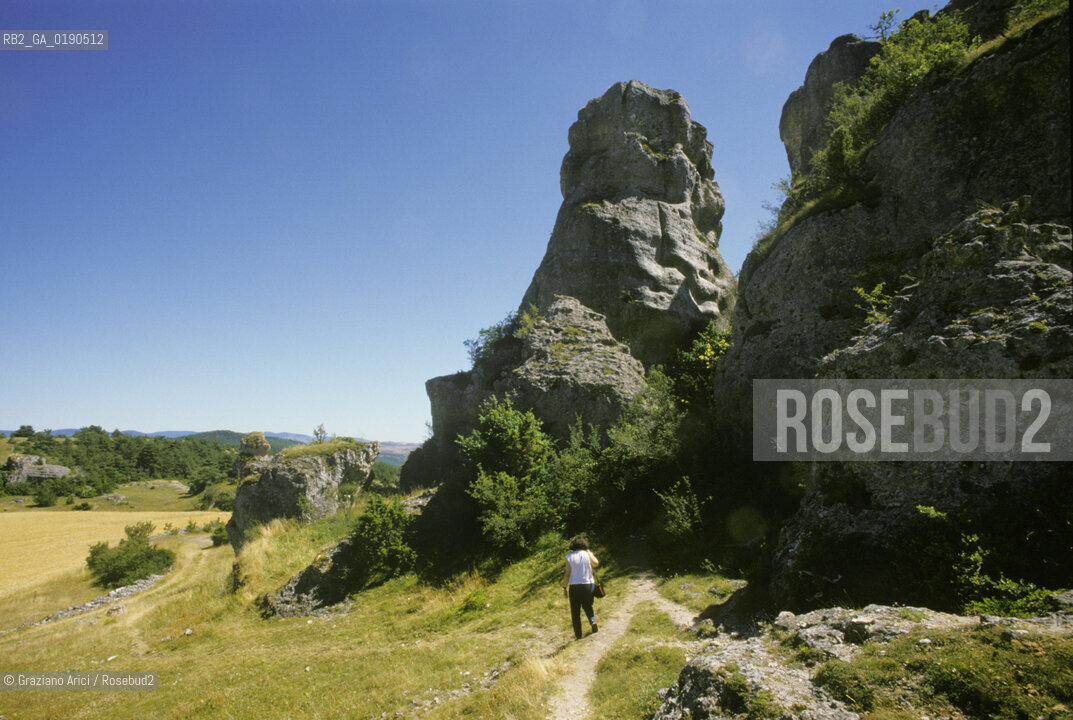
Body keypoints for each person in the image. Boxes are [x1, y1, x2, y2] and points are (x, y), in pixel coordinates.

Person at [562, 535, 599, 639]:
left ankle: (578, 635)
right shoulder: (587, 553)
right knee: (588, 606)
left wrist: (564, 587)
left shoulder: (569, 557)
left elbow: (567, 574)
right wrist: (589, 553)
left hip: (574, 587)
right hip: (588, 585)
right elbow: (596, 563)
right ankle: (593, 622)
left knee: (575, 611)